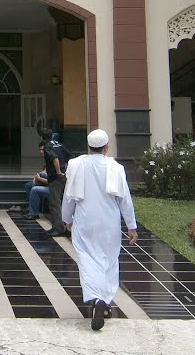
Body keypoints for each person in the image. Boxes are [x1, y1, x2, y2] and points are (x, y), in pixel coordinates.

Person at [61, 129, 138, 331]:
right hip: (109, 222)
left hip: (85, 220)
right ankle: (105, 300)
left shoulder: (76, 165)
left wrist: (66, 219)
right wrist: (131, 225)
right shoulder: (116, 168)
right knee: (109, 260)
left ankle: (95, 298)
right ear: (106, 147)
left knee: (87, 260)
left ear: (89, 146)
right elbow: (125, 199)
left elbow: (68, 196)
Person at [42, 128, 70, 237]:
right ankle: (62, 226)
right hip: (64, 175)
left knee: (55, 203)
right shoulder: (58, 144)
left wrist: (58, 172)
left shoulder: (47, 146)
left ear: (42, 138)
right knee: (64, 201)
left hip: (55, 177)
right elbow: (68, 155)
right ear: (52, 136)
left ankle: (58, 228)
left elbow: (55, 158)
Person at [23, 143, 49, 219]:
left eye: (43, 150)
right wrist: (36, 179)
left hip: (52, 186)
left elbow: (51, 181)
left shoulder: (53, 160)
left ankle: (33, 211)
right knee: (28, 185)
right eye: (40, 150)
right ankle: (31, 207)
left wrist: (39, 179)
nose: (41, 152)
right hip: (45, 181)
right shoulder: (46, 160)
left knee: (34, 189)